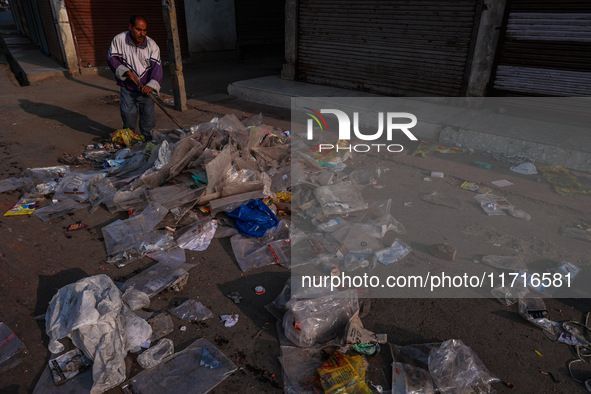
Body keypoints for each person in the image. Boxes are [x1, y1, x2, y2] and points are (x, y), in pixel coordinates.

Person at [107, 15, 163, 138]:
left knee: (148, 116)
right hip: (128, 87)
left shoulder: (152, 45)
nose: (142, 33)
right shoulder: (119, 40)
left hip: (146, 88)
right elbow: (112, 58)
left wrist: (151, 85)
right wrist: (126, 72)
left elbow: (157, 68)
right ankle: (130, 137)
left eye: (144, 30)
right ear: (130, 27)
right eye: (138, 29)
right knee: (128, 113)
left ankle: (148, 139)